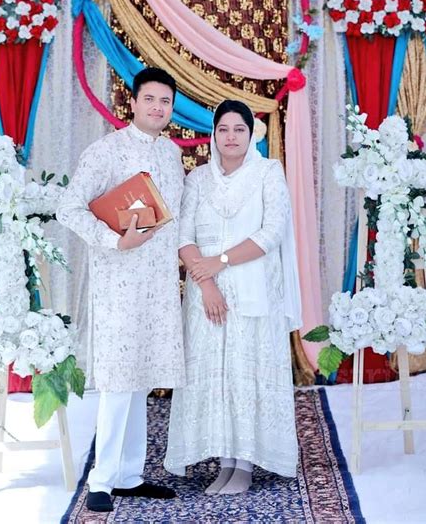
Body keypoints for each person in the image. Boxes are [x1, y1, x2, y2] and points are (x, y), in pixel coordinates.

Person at [57, 68, 185, 512]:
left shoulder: (170, 155)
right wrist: (116, 241)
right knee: (117, 381)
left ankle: (130, 474)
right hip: (119, 285)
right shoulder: (106, 151)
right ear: (133, 102)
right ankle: (102, 479)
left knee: (142, 379)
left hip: (160, 286)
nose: (157, 108)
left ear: (171, 107)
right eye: (149, 99)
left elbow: (176, 217)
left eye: (165, 102)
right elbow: (68, 207)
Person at [164, 99, 302, 495]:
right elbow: (183, 236)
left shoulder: (268, 173)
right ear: (214, 134)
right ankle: (224, 463)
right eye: (223, 129)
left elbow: (271, 232)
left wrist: (220, 263)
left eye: (238, 129)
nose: (230, 137)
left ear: (250, 133)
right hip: (205, 292)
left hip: (251, 287)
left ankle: (244, 465)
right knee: (215, 376)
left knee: (246, 373)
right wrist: (206, 282)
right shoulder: (198, 179)